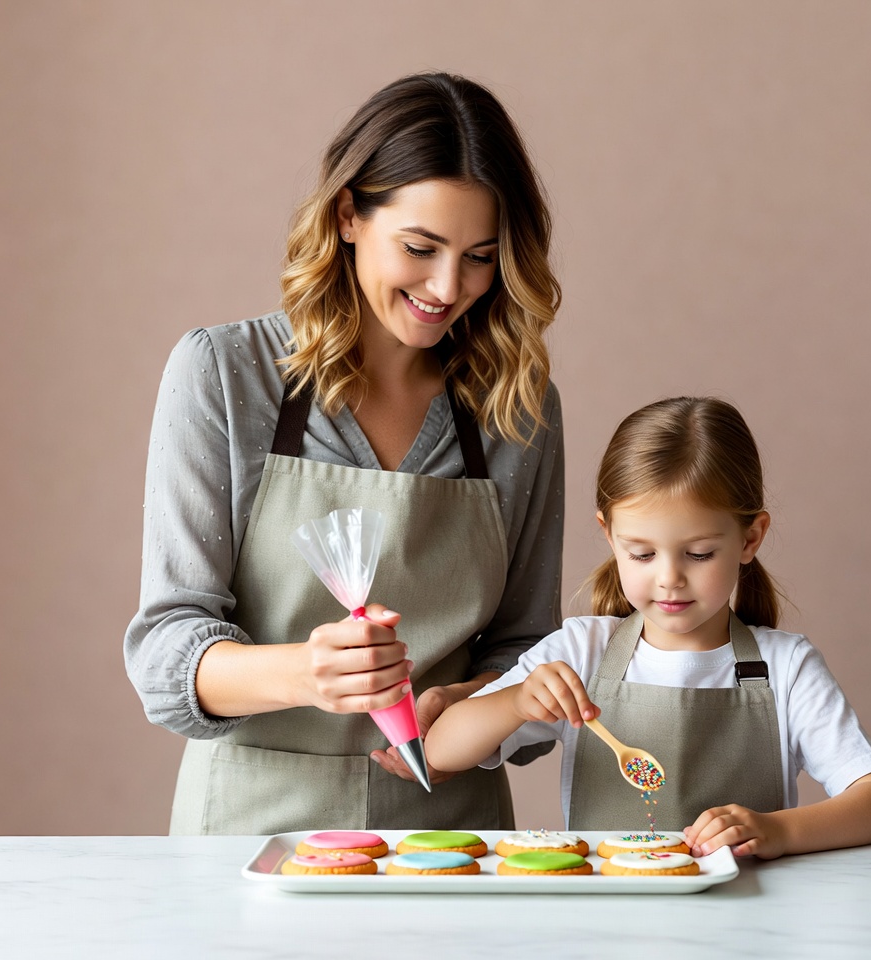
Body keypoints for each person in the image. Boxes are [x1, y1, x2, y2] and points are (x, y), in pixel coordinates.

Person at [124, 72, 564, 835]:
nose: (448, 286)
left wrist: (475, 706)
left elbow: (527, 645)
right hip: (250, 833)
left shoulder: (516, 410)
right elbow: (166, 652)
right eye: (421, 247)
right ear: (349, 215)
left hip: (448, 838)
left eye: (481, 256)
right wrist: (308, 672)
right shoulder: (226, 377)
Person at [425, 397, 871, 859]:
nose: (669, 578)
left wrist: (776, 829)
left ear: (750, 538)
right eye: (642, 554)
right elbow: (442, 750)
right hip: (611, 929)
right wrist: (515, 700)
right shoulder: (581, 652)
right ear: (609, 537)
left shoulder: (786, 667)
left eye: (699, 554)